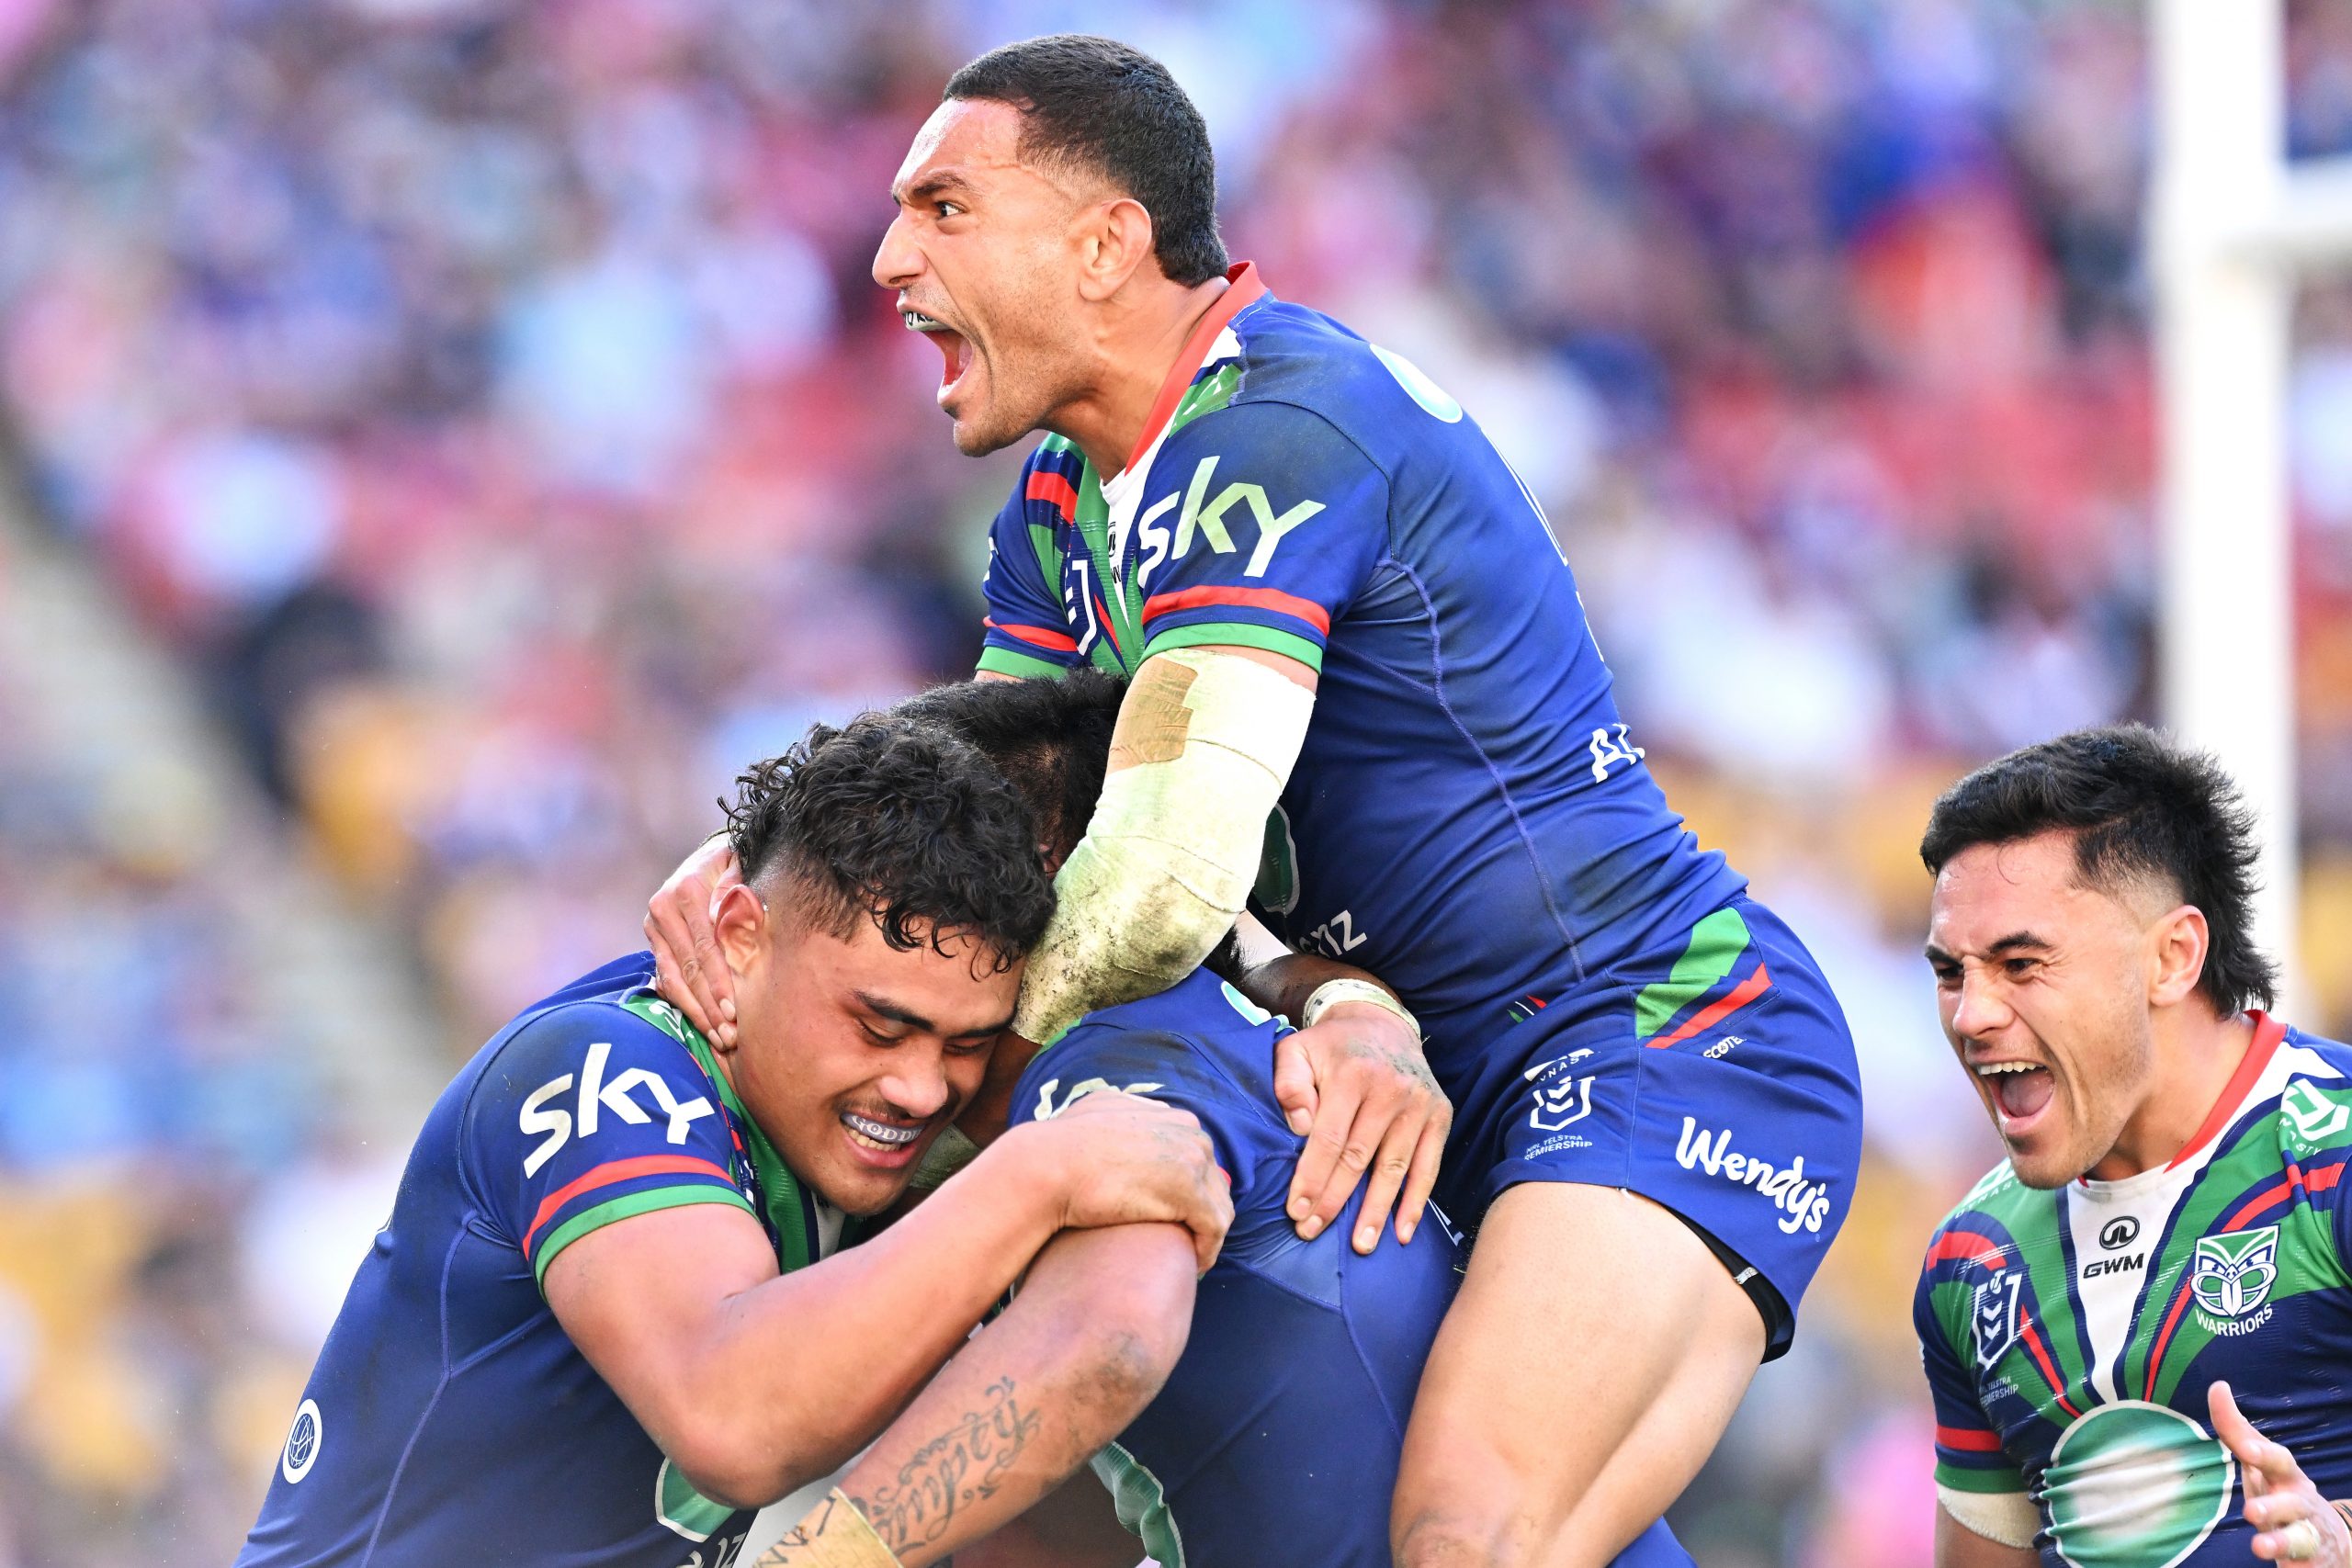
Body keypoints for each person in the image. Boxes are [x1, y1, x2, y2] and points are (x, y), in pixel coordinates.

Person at [653, 33, 1865, 1566]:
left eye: (946, 206)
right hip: (1418, 1079)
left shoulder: (1274, 431)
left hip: (1652, 1033)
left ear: (1105, 244)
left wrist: (970, 1109)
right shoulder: (1064, 498)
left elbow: (1158, 872)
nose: (891, 255)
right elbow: (991, 812)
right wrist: (759, 854)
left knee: (1463, 1534)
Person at [239, 716, 1231, 1568]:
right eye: (878, 1025)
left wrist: (1328, 999)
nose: (920, 1087)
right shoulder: (599, 1069)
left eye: (963, 1043)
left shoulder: (838, 1134)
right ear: (742, 938)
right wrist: (1041, 1170)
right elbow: (731, 1419)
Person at [782, 673, 1697, 1568]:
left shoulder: (1111, 1062)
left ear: (1050, 882)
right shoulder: (1204, 1031)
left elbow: (1108, 1334)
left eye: (947, 858)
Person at [1914, 726, 2352, 1568]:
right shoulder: (1972, 1260)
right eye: (1950, 972)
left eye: (2021, 962)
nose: (1970, 1014)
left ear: (2173, 957)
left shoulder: (2332, 1163)